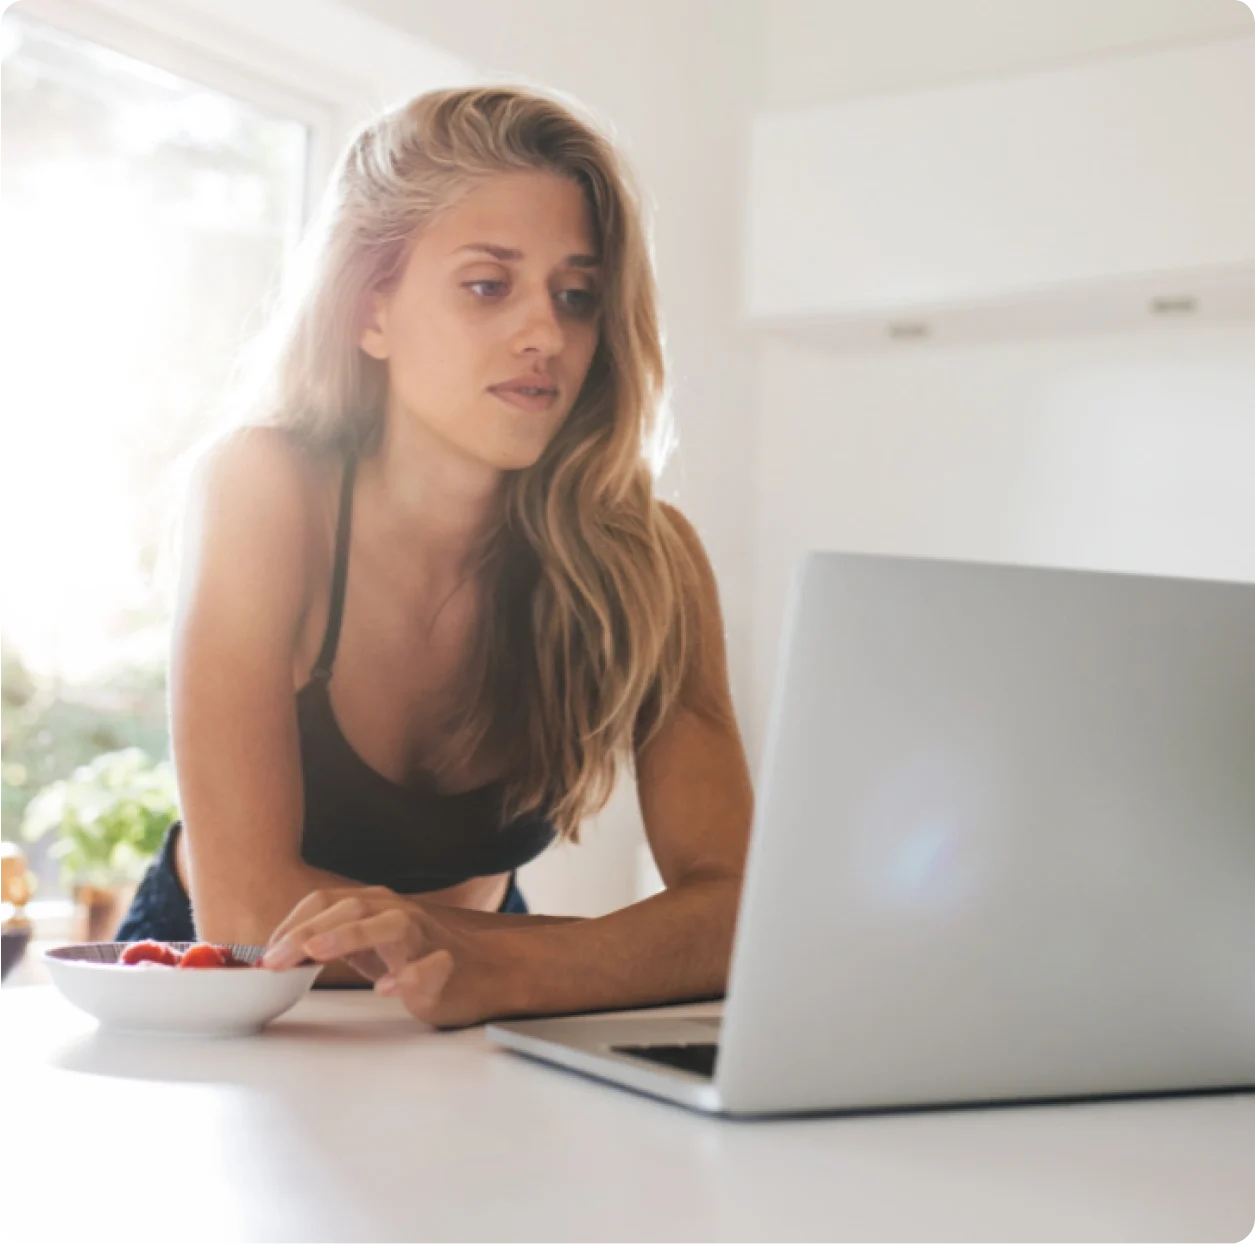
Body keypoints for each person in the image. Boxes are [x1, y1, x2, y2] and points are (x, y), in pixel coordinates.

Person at [116, 85, 753, 1028]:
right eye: (488, 285)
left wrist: (509, 965)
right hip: (223, 983)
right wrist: (598, 954)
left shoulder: (649, 560)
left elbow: (740, 914)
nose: (546, 334)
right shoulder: (264, 487)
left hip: (488, 985)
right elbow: (251, 914)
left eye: (575, 296)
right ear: (371, 309)